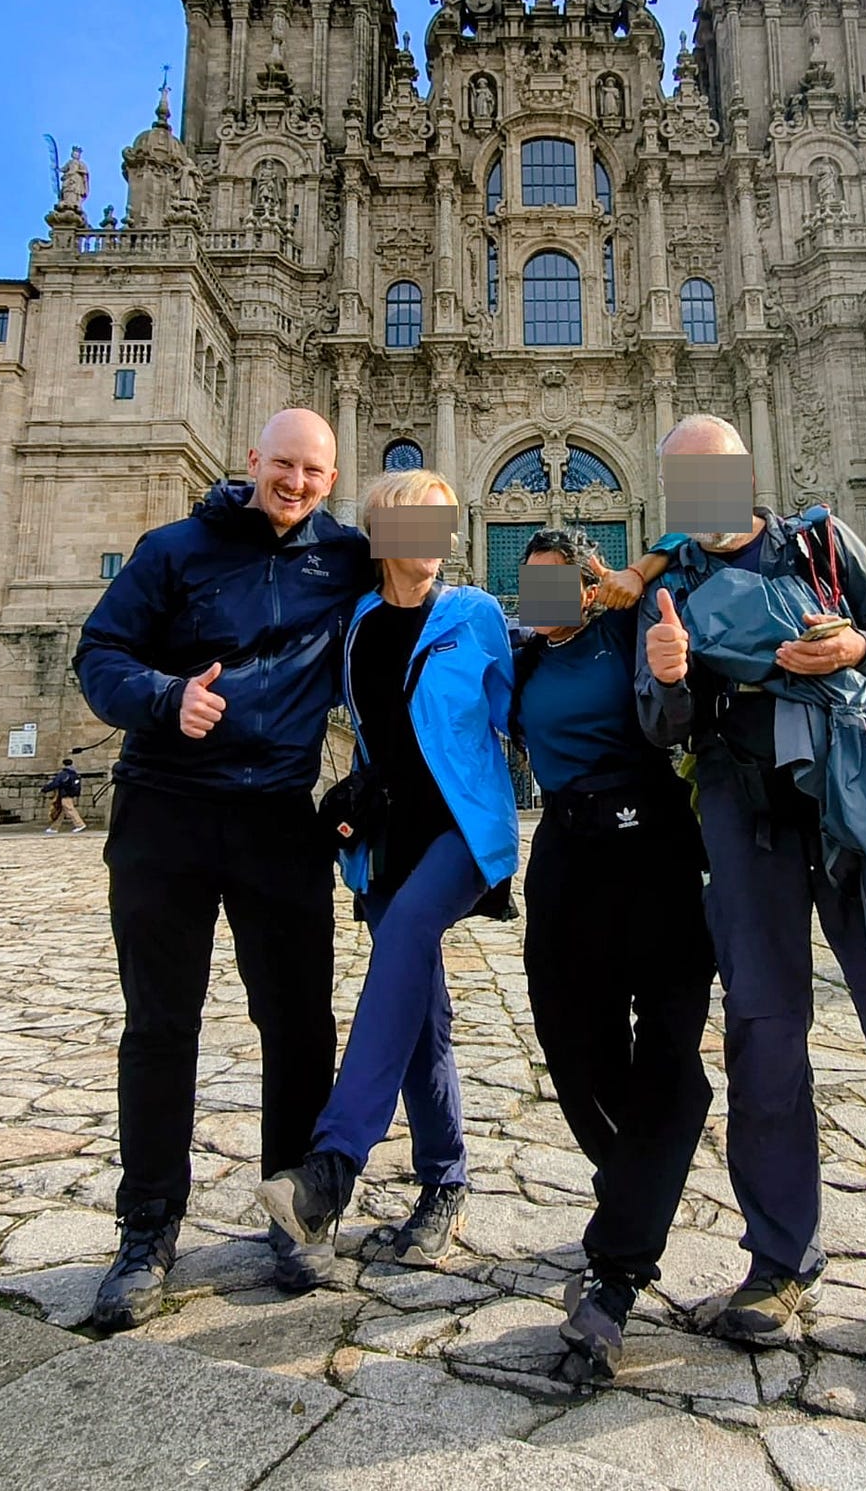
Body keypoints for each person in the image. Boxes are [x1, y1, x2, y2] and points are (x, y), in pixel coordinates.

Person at [637, 414, 866, 1377]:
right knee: (763, 1037)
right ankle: (778, 1261)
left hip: (852, 804)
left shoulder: (822, 543)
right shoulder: (669, 586)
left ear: (747, 471)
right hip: (742, 816)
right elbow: (661, 725)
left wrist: (856, 649)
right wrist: (668, 679)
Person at [74, 408, 371, 1330]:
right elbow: (99, 653)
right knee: (160, 1023)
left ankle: (297, 1213)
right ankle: (147, 1228)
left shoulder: (346, 556)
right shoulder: (172, 549)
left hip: (276, 816)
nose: (295, 482)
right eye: (283, 464)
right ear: (253, 461)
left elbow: (422, 601)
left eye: (313, 471)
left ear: (332, 478)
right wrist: (164, 696)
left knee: (299, 1021)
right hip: (165, 809)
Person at [256, 468, 518, 1268]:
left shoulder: (476, 614)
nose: (436, 536)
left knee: (405, 937)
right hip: (383, 839)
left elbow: (523, 707)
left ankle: (333, 1166)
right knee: (418, 1014)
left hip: (462, 831)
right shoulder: (357, 623)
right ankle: (444, 1183)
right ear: (383, 534)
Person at [512, 528, 715, 1379]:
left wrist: (642, 568)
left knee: (668, 1055)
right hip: (567, 851)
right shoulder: (519, 657)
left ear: (589, 584)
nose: (545, 597)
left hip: (655, 847)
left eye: (561, 582)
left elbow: (710, 527)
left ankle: (617, 1272)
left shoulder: (630, 628)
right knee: (572, 1042)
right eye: (530, 581)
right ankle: (636, 1176)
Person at [41, 757, 88, 833]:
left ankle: (79, 824)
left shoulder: (63, 774)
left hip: (65, 793)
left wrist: (45, 789)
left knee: (69, 808)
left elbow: (56, 783)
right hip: (70, 793)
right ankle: (54, 828)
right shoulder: (74, 773)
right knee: (61, 811)